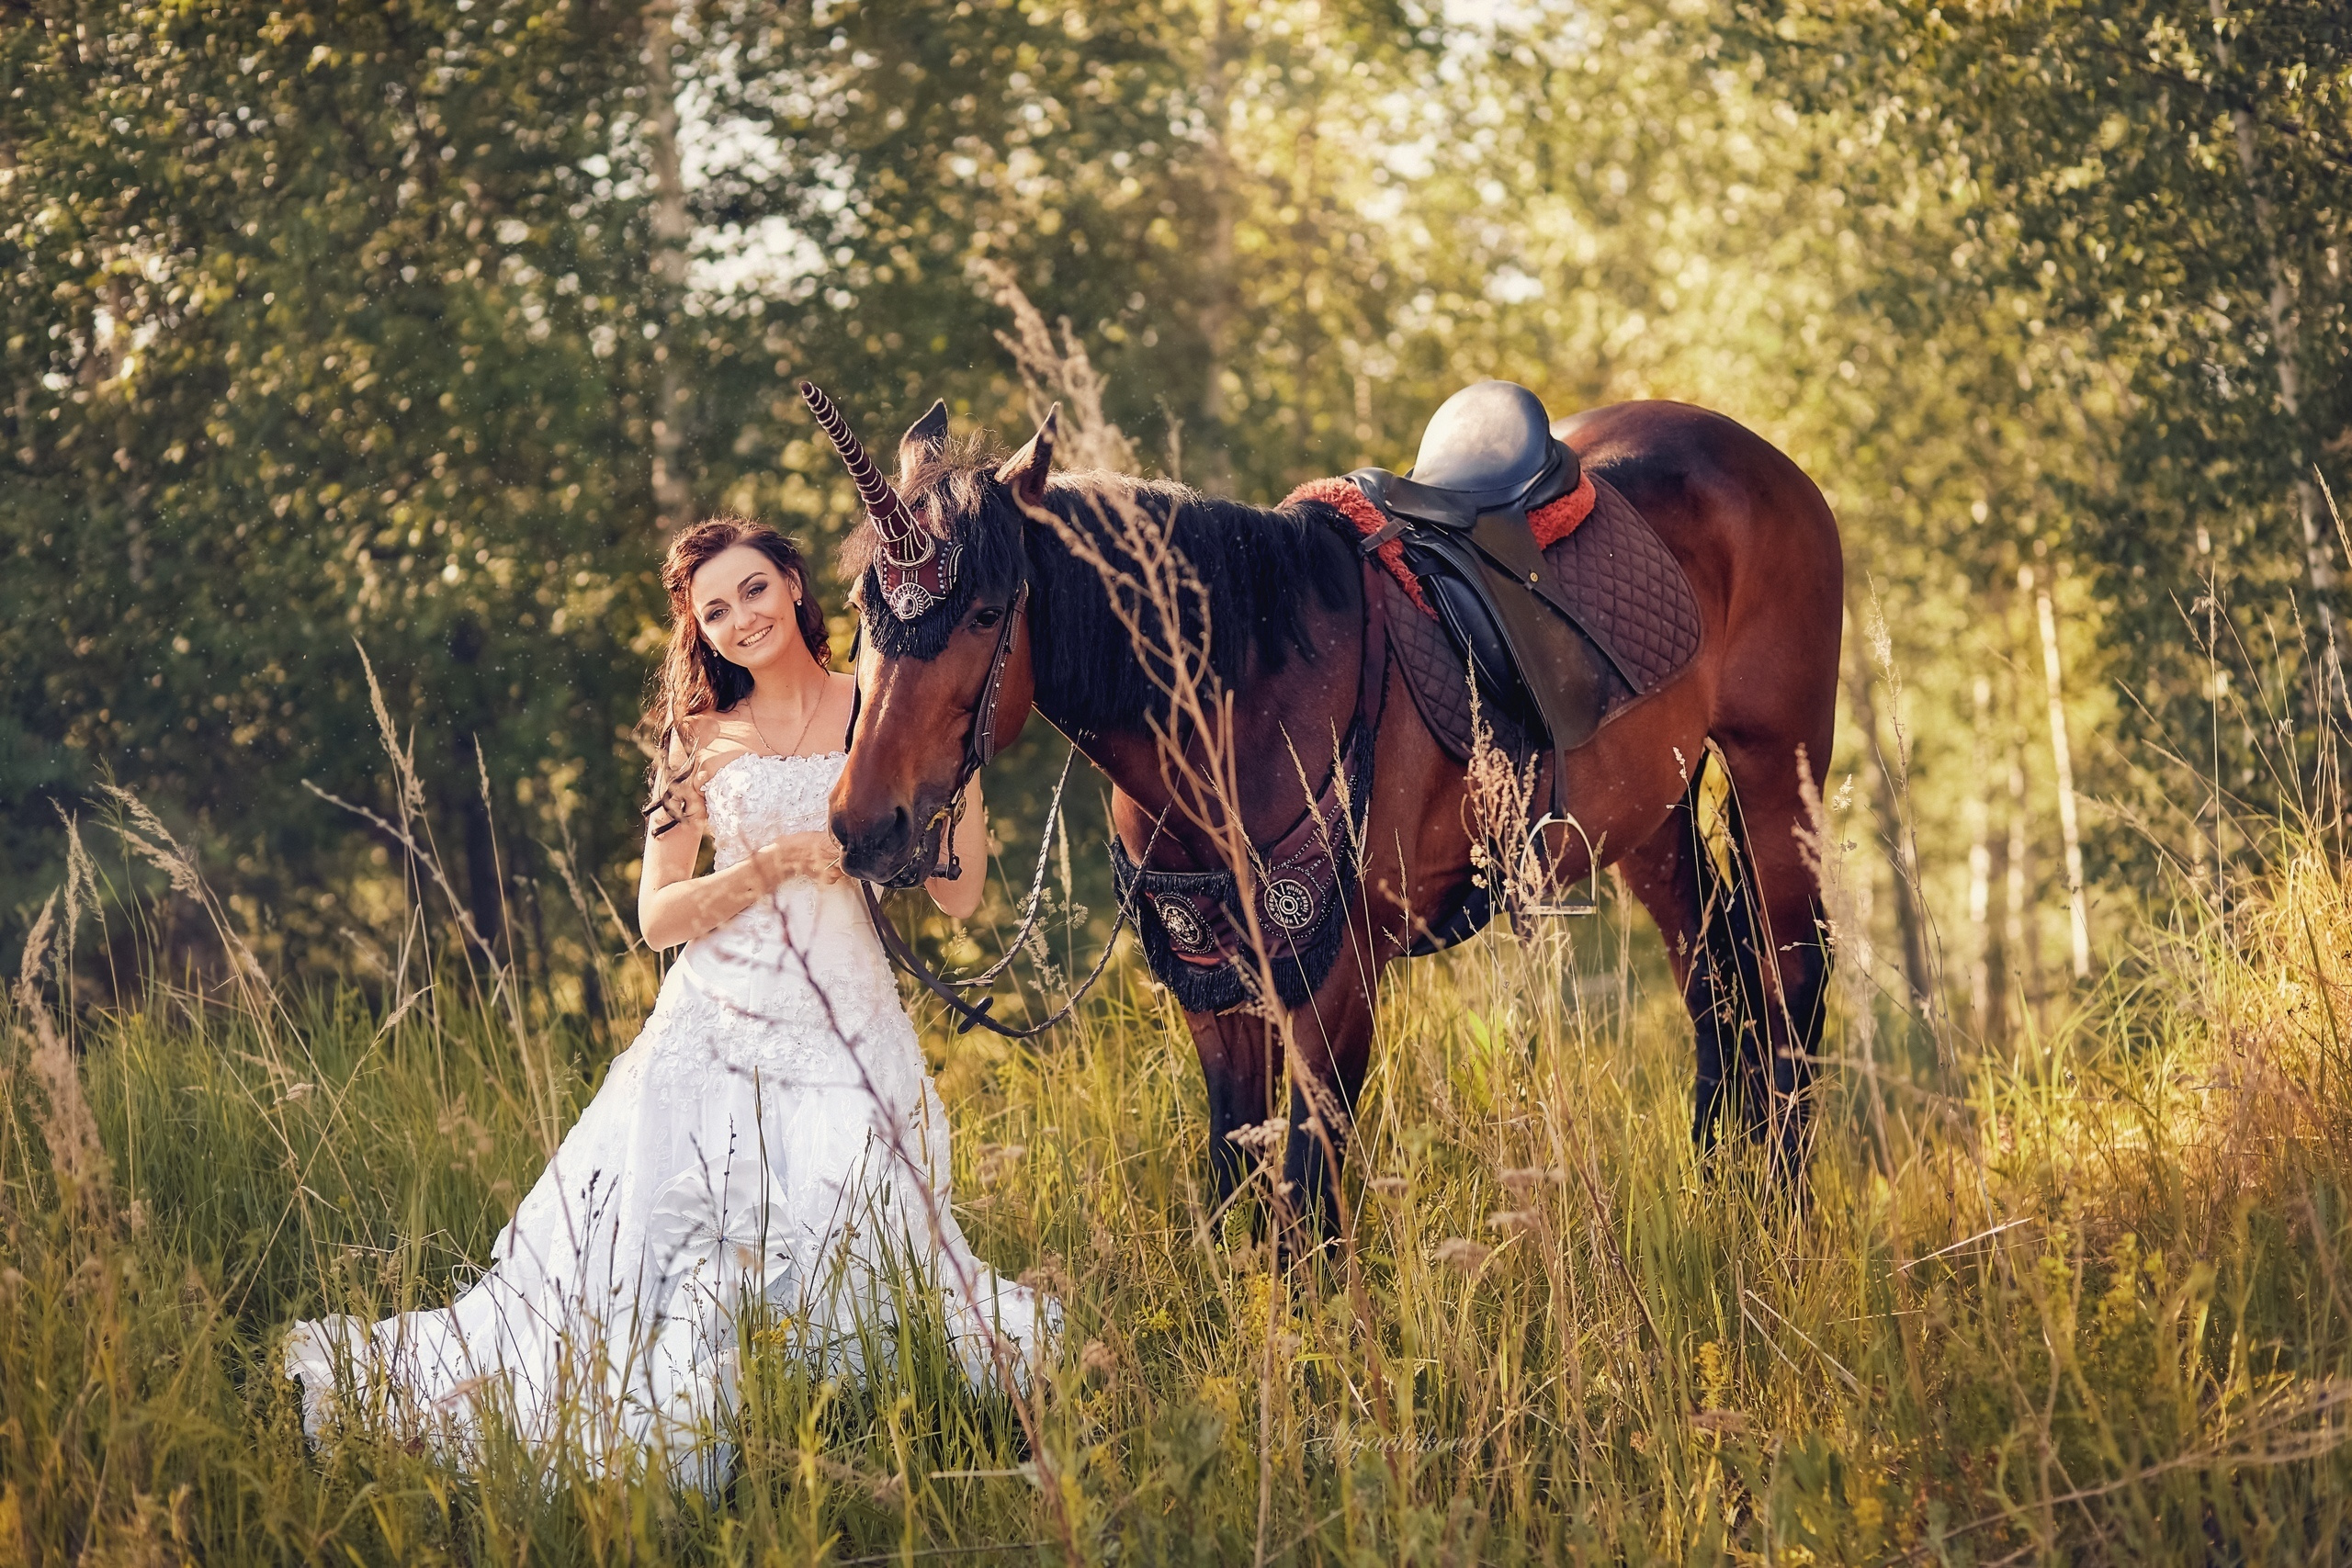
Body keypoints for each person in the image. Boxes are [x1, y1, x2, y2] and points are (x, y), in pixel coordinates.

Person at [285, 518, 1050, 1494]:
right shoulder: (694, 741)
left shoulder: (880, 708)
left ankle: (844, 1415)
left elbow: (957, 897)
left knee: (863, 1229)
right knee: (679, 1261)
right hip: (716, 1026)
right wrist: (770, 866)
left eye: (753, 592)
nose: (739, 621)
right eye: (714, 611)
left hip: (848, 1023)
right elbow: (657, 916)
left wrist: (963, 779)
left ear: (796, 586)